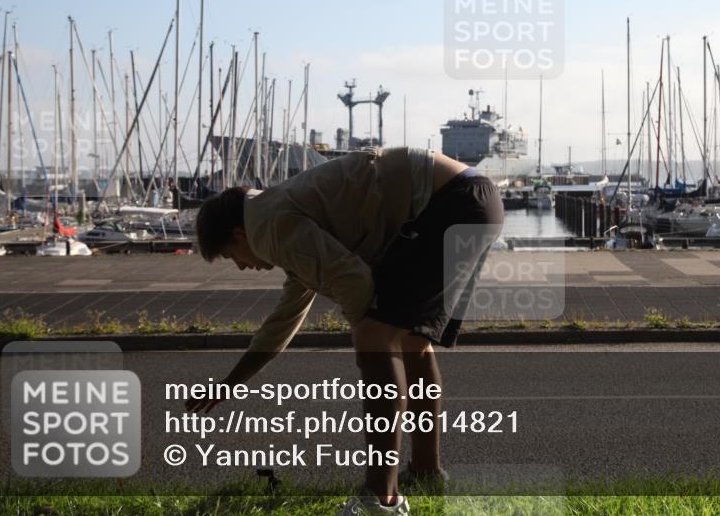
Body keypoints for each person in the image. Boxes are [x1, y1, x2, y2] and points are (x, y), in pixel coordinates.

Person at [187, 147, 503, 515]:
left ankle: (380, 500)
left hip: (450, 203)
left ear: (239, 234)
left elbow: (354, 281)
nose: (241, 267)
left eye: (230, 255)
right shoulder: (277, 214)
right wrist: (232, 381)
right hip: (476, 200)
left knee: (377, 336)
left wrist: (368, 336)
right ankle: (426, 472)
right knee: (414, 344)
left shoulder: (270, 227)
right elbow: (283, 321)